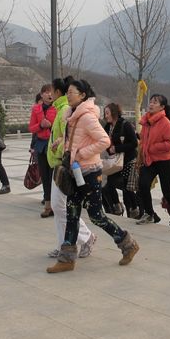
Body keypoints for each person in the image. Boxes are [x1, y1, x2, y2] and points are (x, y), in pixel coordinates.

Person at [47, 79, 139, 273]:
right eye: (67, 92)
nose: (68, 95)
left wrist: (81, 153)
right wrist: (60, 142)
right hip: (75, 171)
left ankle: (128, 244)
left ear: (82, 95)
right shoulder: (71, 115)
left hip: (89, 173)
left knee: (96, 215)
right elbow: (77, 139)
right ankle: (67, 259)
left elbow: (104, 141)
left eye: (71, 92)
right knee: (72, 213)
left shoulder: (87, 117)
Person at [45, 77, 96, 262]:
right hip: (58, 164)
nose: (48, 94)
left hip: (65, 165)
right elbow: (62, 137)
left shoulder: (68, 111)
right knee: (58, 207)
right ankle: (63, 246)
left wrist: (61, 148)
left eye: (51, 91)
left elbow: (71, 141)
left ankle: (86, 237)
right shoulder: (63, 110)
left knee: (62, 207)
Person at [135, 94, 170, 228]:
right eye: (151, 101)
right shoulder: (146, 121)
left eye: (155, 102)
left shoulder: (165, 123)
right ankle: (150, 214)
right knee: (143, 185)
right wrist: (141, 152)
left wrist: (153, 147)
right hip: (150, 160)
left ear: (162, 107)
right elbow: (144, 140)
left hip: (165, 162)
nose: (151, 104)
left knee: (167, 192)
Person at [101, 103, 139, 218]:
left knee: (128, 188)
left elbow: (134, 143)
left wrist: (117, 148)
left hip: (128, 160)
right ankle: (117, 205)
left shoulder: (125, 125)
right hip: (114, 161)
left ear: (114, 112)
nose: (106, 116)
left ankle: (134, 209)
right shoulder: (107, 127)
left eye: (107, 113)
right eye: (105, 113)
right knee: (108, 183)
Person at [29, 84, 57, 216]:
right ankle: (47, 206)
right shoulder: (36, 109)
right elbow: (31, 128)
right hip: (40, 145)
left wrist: (50, 126)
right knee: (44, 176)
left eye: (51, 92)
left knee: (54, 176)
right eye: (46, 92)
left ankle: (56, 205)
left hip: (53, 145)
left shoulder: (57, 108)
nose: (49, 94)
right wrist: (40, 125)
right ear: (41, 95)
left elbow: (61, 127)